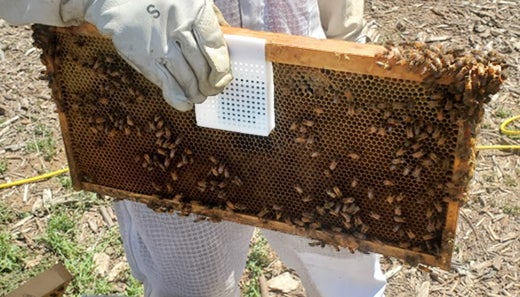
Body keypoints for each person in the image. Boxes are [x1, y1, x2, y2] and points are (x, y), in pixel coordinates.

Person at [0, 1, 386, 296]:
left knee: (343, 259)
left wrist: (346, 41)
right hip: (160, 89)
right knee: (194, 281)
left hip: (305, 85)